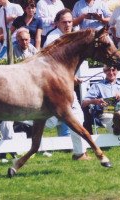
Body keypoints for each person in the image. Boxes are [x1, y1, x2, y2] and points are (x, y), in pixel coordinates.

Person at [44, 9, 91, 160]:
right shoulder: (52, 39)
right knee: (48, 119)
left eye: (70, 21)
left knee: (76, 116)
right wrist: (70, 79)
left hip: (66, 88)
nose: (67, 25)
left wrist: (72, 78)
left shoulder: (74, 37)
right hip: (53, 88)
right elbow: (49, 66)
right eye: (64, 22)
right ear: (57, 23)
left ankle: (80, 153)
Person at [82, 65, 120, 136]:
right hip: (105, 111)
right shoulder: (97, 86)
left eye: (113, 70)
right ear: (104, 71)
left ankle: (118, 128)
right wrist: (96, 101)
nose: (111, 72)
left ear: (117, 71)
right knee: (110, 117)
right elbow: (84, 103)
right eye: (108, 70)